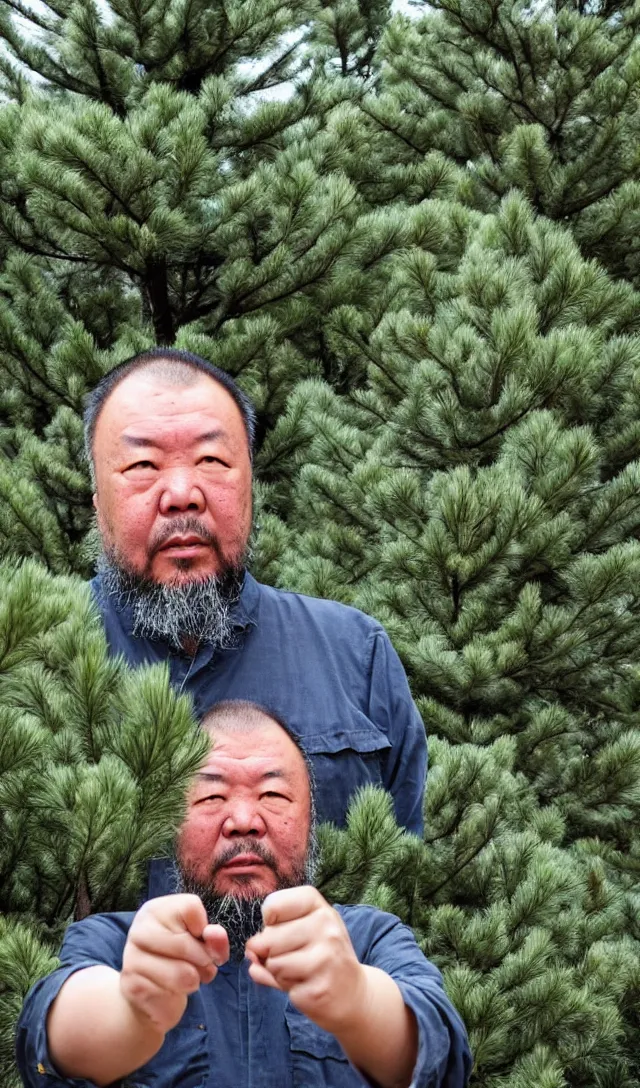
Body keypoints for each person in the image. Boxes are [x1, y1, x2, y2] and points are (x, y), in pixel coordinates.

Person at [16, 702, 472, 1088]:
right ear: (173, 827)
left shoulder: (367, 939)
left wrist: (358, 1000)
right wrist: (132, 1010)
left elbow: (442, 1054)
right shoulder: (116, 943)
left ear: (310, 825)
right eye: (211, 797)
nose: (242, 819)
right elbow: (47, 1037)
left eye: (273, 793)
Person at [85, 346, 427, 848]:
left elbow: (404, 888)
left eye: (211, 459)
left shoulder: (355, 655)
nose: (182, 491)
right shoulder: (31, 662)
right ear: (97, 503)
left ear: (250, 489)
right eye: (142, 464)